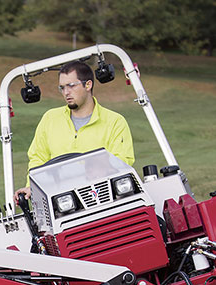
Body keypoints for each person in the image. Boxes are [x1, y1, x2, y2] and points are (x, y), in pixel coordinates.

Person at [16, 60, 134, 202]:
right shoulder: (50, 119)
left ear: (88, 85)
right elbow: (38, 159)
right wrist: (31, 187)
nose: (66, 93)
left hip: (103, 196)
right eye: (62, 88)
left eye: (71, 86)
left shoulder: (114, 121)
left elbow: (121, 161)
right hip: (61, 200)